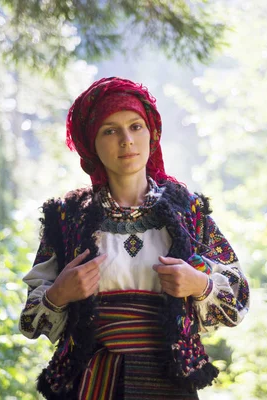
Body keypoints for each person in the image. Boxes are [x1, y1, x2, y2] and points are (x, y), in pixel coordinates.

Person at [19, 77, 250, 400]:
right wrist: (59, 293)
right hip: (89, 384)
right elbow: (30, 321)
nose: (126, 140)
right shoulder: (66, 217)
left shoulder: (189, 213)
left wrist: (199, 285)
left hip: (169, 384)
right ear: (91, 143)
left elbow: (238, 297)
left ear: (152, 134)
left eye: (136, 126)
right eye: (110, 130)